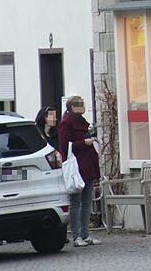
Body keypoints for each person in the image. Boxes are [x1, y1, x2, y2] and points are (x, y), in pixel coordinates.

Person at [58, 95, 102, 247]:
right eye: (78, 104)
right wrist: (84, 142)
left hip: (88, 166)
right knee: (76, 203)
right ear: (71, 107)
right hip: (76, 168)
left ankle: (85, 234)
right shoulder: (66, 123)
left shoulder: (82, 122)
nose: (81, 107)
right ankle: (77, 236)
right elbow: (65, 147)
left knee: (87, 202)